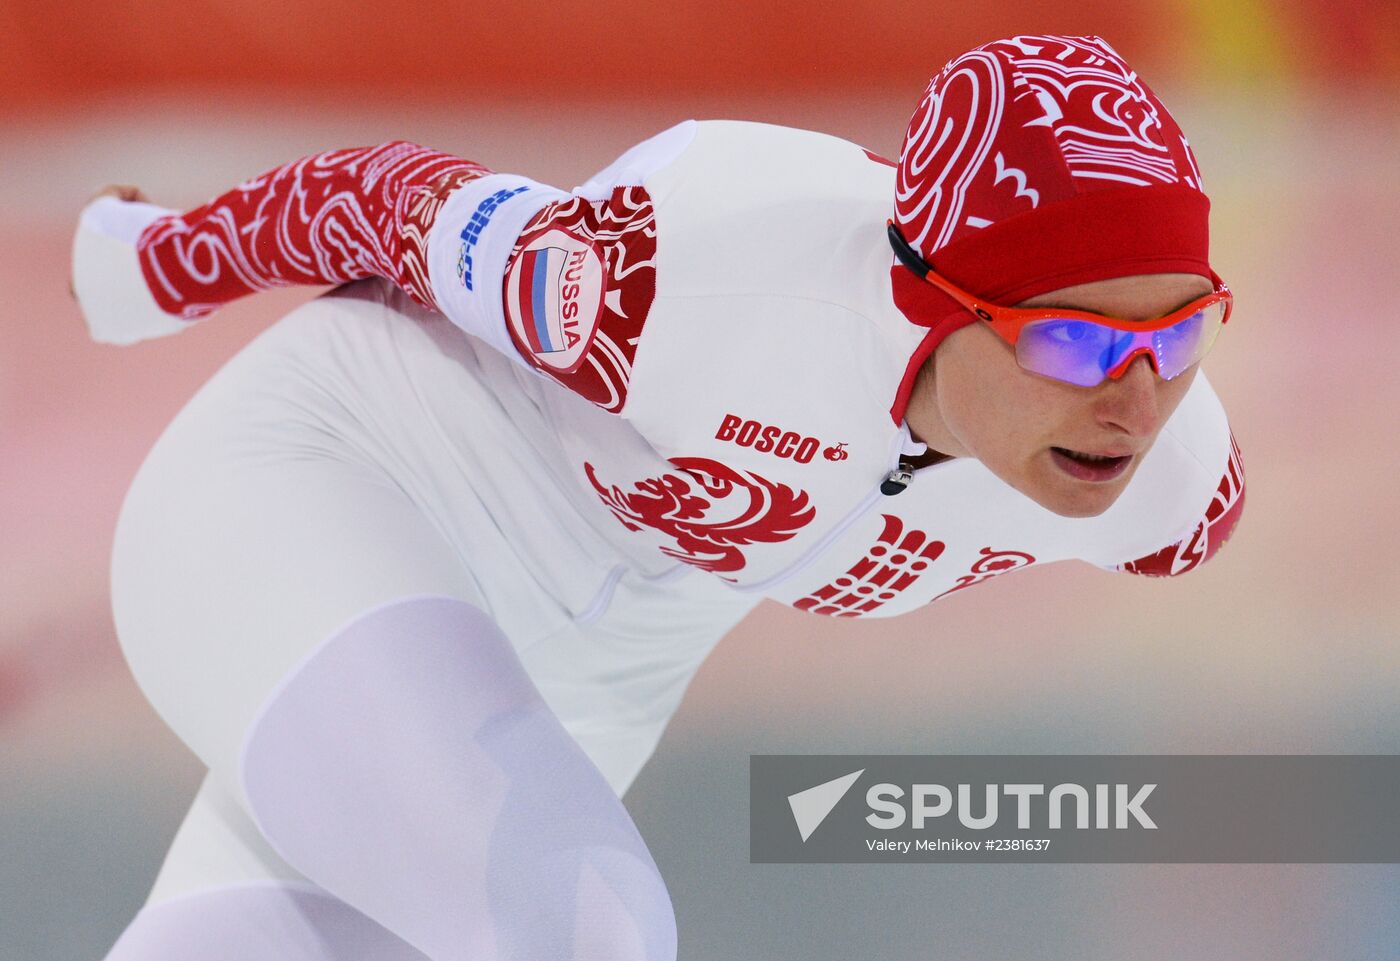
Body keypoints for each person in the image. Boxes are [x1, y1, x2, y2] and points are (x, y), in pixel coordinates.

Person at [73, 33, 1244, 961]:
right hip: (327, 490)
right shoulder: (676, 276)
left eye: (1180, 326)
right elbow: (381, 198)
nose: (1135, 402)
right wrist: (140, 265)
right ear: (933, 298)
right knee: (581, 923)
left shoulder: (1172, 490)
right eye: (1075, 343)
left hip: (576, 678)